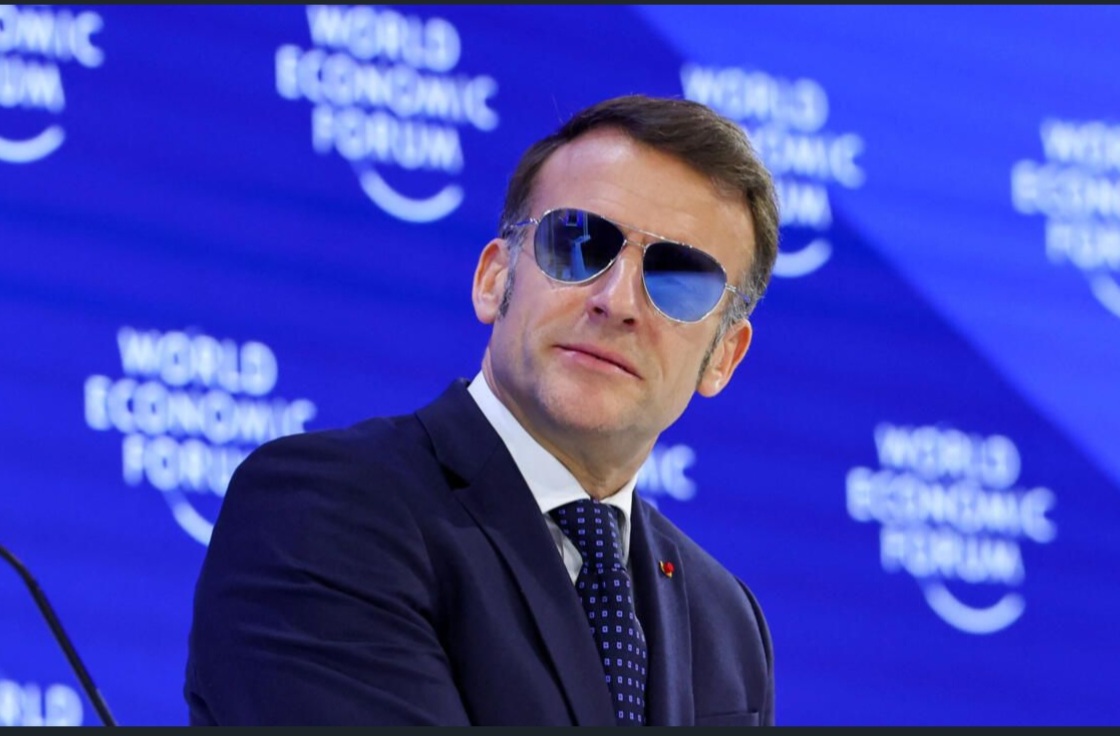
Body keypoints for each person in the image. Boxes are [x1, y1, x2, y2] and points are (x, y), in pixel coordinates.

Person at [184, 94, 779, 726]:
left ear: (724, 357)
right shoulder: (324, 509)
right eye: (578, 243)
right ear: (495, 279)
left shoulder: (727, 623)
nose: (617, 301)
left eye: (678, 280)